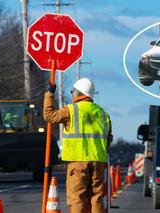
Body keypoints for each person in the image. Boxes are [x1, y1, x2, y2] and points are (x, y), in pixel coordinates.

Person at [43, 78, 113, 213]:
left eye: (72, 91)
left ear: (77, 93)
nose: (72, 94)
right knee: (96, 197)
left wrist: (49, 94)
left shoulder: (71, 110)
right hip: (98, 160)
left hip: (77, 161)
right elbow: (108, 139)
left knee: (77, 197)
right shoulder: (103, 114)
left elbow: (49, 116)